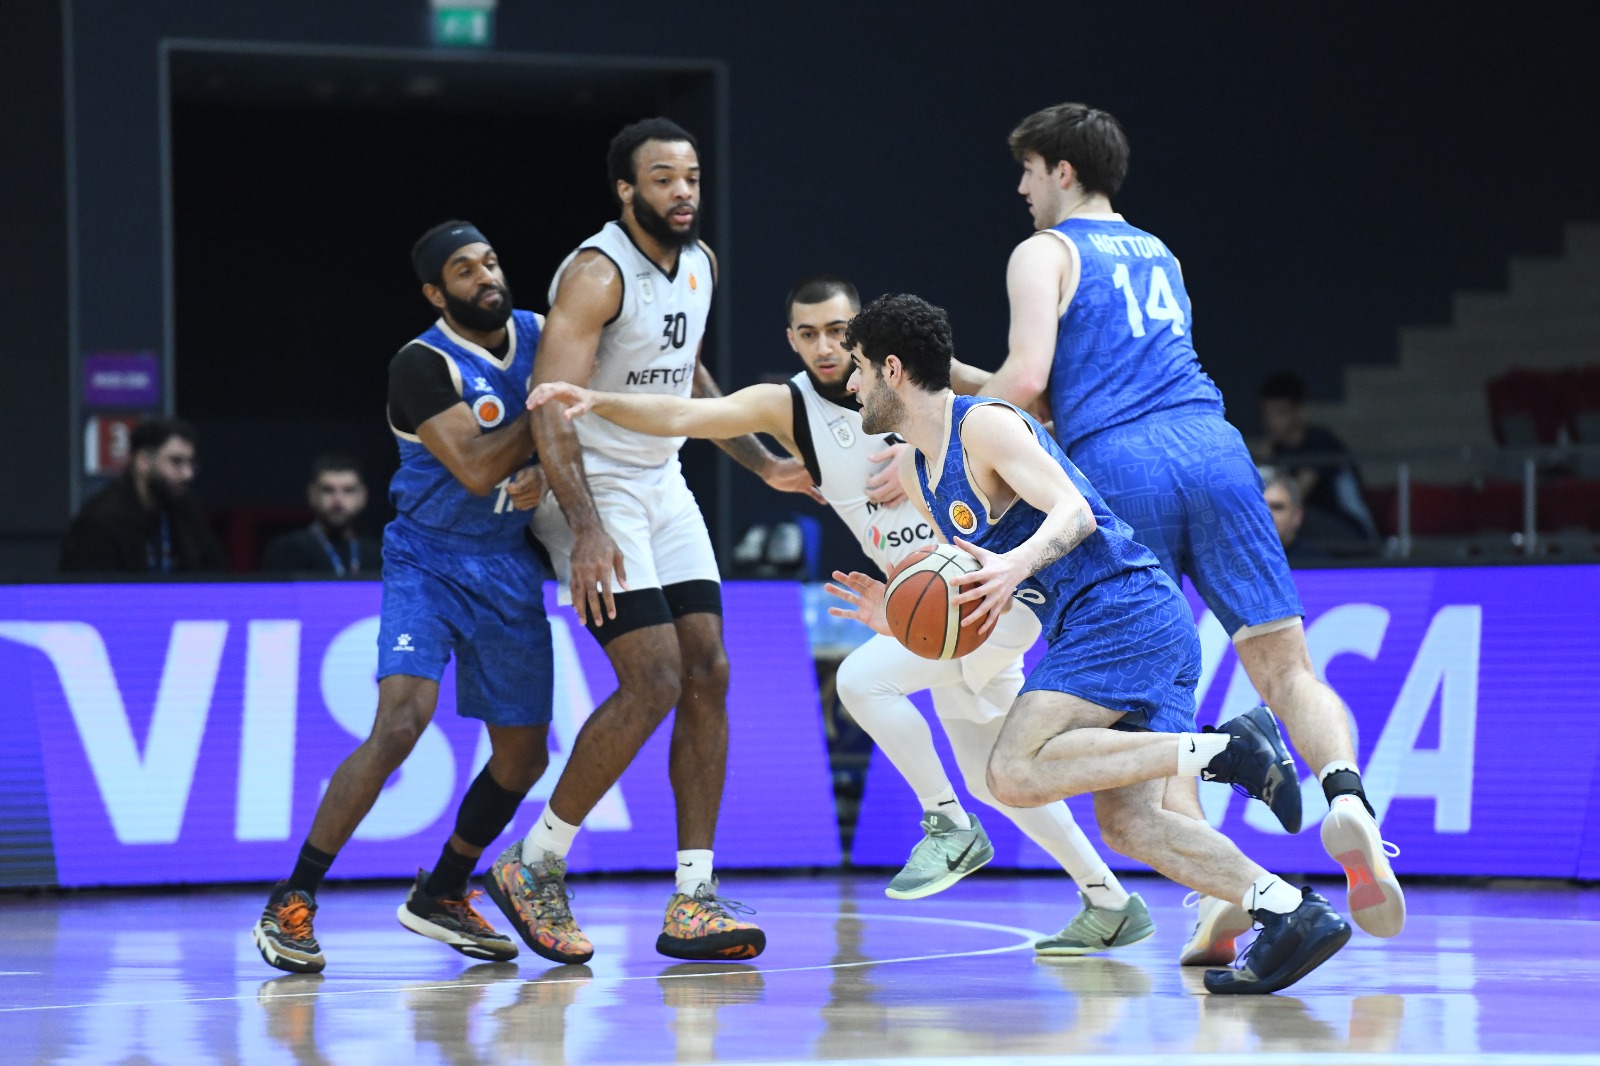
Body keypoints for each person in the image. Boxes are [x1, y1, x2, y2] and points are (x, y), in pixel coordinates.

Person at [528, 274, 1151, 956]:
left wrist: (932, 451)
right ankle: (1108, 900)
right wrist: (596, 401)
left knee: (862, 681)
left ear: (868, 340)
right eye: (808, 334)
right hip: (933, 613)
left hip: (986, 592)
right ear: (791, 341)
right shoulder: (786, 406)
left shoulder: (928, 385)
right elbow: (684, 416)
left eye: (837, 331)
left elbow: (1033, 409)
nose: (825, 346)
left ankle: (947, 825)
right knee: (992, 775)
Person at [955, 103, 1404, 952]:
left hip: (1121, 464)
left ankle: (1213, 894)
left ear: (1061, 171)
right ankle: (1347, 797)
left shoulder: (1044, 251)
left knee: (1155, 698)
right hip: (1216, 449)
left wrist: (951, 413)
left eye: (1028, 170)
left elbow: (1029, 383)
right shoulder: (1159, 250)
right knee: (1286, 666)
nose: (1020, 188)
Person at [826, 293, 1351, 995]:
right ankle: (1290, 912)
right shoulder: (919, 474)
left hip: (1122, 608)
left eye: (859, 366)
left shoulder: (983, 425)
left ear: (892, 369)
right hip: (1106, 626)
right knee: (1131, 825)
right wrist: (901, 620)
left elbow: (1073, 511)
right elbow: (966, 604)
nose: (851, 383)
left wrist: (1015, 565)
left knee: (1011, 771)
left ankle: (1225, 751)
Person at [494, 118, 822, 966]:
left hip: (662, 481)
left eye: (692, 177)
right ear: (626, 190)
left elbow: (688, 378)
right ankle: (535, 863)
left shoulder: (701, 262)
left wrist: (760, 461)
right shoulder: (596, 274)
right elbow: (549, 406)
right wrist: (585, 528)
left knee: (709, 669)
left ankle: (693, 898)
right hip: (590, 485)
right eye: (664, 178)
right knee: (655, 677)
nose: (683, 192)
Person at [251, 221, 556, 974]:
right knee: (399, 725)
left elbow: (594, 416)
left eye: (490, 261)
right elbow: (478, 468)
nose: (485, 276)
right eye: (464, 269)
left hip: (507, 563)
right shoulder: (421, 363)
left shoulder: (541, 334)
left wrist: (549, 469)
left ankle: (445, 889)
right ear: (436, 293)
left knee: (523, 758)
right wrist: (548, 418)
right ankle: (293, 897)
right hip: (429, 558)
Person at [59, 417, 227, 573]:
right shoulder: (100, 522)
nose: (188, 474)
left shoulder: (185, 506)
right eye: (176, 462)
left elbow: (214, 571)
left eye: (190, 463)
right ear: (143, 461)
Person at [1258, 371, 1379, 544]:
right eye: (1267, 414)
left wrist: (1268, 463)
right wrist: (1266, 458)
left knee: (1289, 515)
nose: (1272, 421)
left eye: (1280, 413)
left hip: (1352, 530)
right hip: (1315, 529)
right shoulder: (1277, 449)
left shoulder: (1320, 441)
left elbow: (1297, 496)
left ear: (1300, 411)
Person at [261, 453, 383, 576]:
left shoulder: (380, 555)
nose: (338, 500)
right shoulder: (287, 551)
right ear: (312, 494)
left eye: (348, 490)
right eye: (328, 490)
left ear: (363, 496)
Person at [1264, 470, 1329, 566]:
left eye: (1277, 507)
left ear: (1297, 515)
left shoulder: (1318, 565)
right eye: (1261, 508)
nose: (1267, 514)